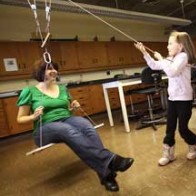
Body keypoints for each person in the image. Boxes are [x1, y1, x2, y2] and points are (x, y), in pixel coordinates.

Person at [17, 59, 134, 192]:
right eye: (49, 68)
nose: (53, 71)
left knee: (87, 126)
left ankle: (105, 175)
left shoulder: (62, 89)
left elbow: (67, 110)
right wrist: (33, 116)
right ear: (40, 72)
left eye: (54, 68)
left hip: (66, 119)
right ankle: (111, 161)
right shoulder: (29, 91)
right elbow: (20, 118)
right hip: (44, 129)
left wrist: (73, 108)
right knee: (67, 130)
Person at [135, 31, 196, 166]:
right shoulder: (171, 59)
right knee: (169, 128)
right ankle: (168, 154)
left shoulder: (183, 56)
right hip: (173, 99)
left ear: (181, 46)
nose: (167, 46)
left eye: (170, 43)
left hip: (184, 100)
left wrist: (161, 59)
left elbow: (171, 72)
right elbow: (154, 66)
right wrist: (145, 53)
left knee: (183, 129)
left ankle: (194, 144)